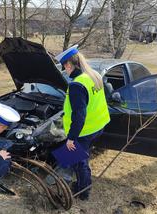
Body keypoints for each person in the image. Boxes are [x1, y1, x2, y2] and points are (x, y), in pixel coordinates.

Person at [55, 45, 110, 200]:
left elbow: (79, 115)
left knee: (79, 162)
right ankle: (75, 178)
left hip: (84, 130)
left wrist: (71, 138)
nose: (65, 71)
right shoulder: (94, 75)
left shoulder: (76, 85)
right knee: (78, 156)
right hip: (99, 125)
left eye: (64, 68)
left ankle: (82, 191)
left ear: (69, 65)